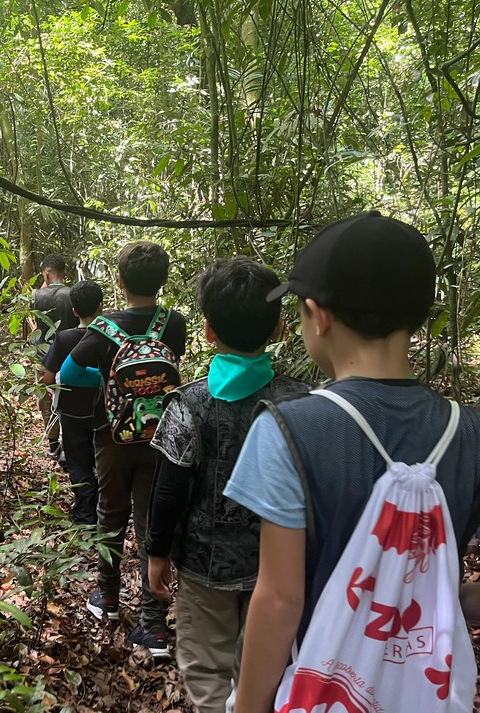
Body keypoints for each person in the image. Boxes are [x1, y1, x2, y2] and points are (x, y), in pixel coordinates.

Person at [223, 211, 480, 713]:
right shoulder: (478, 435)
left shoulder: (287, 431)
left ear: (320, 315)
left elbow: (280, 601)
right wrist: (433, 598)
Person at [145, 257, 308, 713]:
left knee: (208, 672)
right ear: (279, 327)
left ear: (208, 329)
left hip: (204, 569)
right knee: (271, 671)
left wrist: (156, 553)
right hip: (285, 569)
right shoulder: (305, 402)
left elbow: (170, 487)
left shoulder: (189, 403)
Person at [60, 241, 187, 659]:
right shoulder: (175, 323)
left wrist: (106, 380)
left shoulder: (103, 328)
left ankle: (108, 598)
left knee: (110, 513)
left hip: (110, 436)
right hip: (161, 438)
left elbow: (68, 373)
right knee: (153, 522)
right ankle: (153, 626)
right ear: (163, 281)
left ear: (118, 281)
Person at [41, 280, 104, 526]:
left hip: (72, 413)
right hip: (103, 412)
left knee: (79, 463)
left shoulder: (64, 338)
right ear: (101, 306)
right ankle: (106, 512)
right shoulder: (108, 337)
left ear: (74, 311)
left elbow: (47, 378)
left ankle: (85, 516)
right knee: (103, 461)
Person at [31, 254, 78, 460]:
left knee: (45, 401)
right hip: (70, 357)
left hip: (43, 356)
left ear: (46, 274)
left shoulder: (35, 296)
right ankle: (69, 445)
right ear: (64, 273)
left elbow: (33, 326)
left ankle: (53, 445)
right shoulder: (73, 294)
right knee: (69, 399)